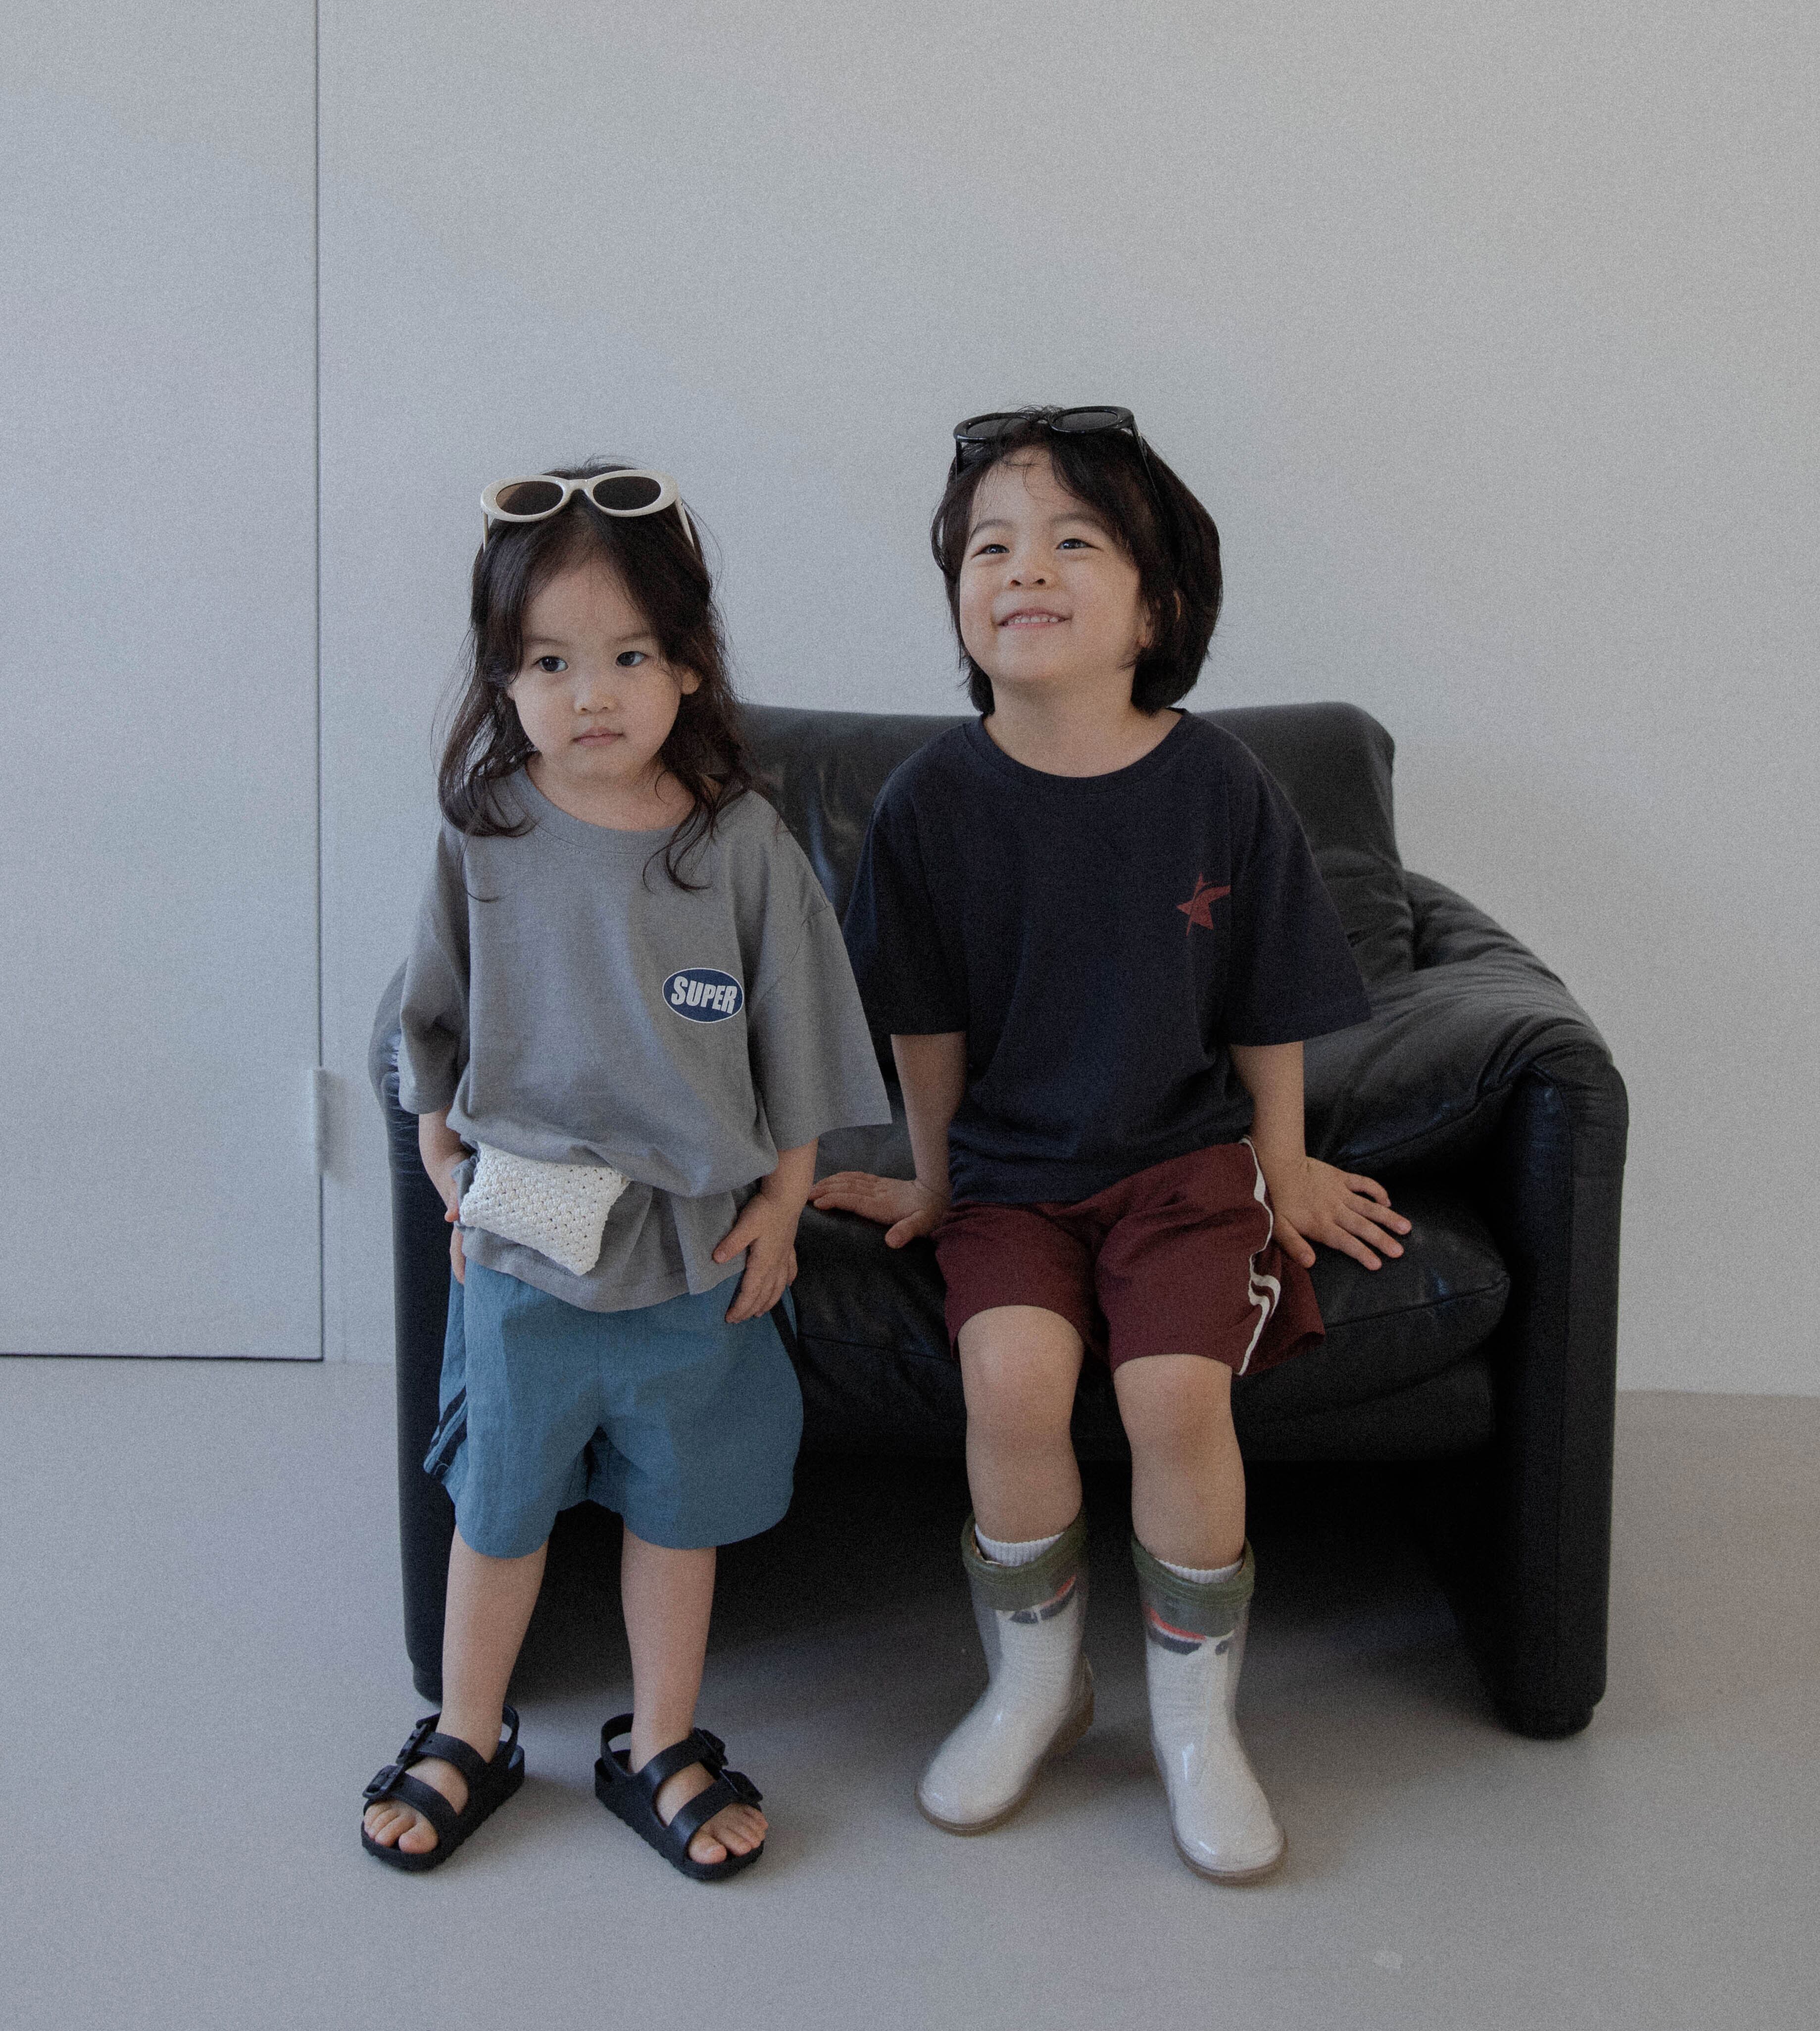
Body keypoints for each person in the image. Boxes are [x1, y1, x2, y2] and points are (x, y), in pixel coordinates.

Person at [811, 406, 1409, 1881]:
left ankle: (1197, 1722)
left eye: (1074, 540)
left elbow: (1270, 1004)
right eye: (991, 546)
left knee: (1174, 1399)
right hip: (1013, 1179)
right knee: (1010, 1385)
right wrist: (937, 1179)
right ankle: (1037, 1685)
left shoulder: (1223, 787)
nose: (1025, 567)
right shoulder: (929, 803)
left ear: (1160, 606)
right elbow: (925, 1027)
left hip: (1184, 1170)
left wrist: (1283, 1167)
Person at [361, 461, 888, 1879]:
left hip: (695, 1254)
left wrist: (784, 1203)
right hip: (522, 1251)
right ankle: (467, 1729)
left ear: (690, 662)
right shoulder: (484, 833)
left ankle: (658, 1741)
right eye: (549, 662)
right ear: (501, 674)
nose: (590, 693)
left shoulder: (739, 844)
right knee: (498, 1506)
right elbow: (431, 1017)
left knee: (678, 1510)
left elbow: (800, 1039)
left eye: (629, 656)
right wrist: (442, 1155)